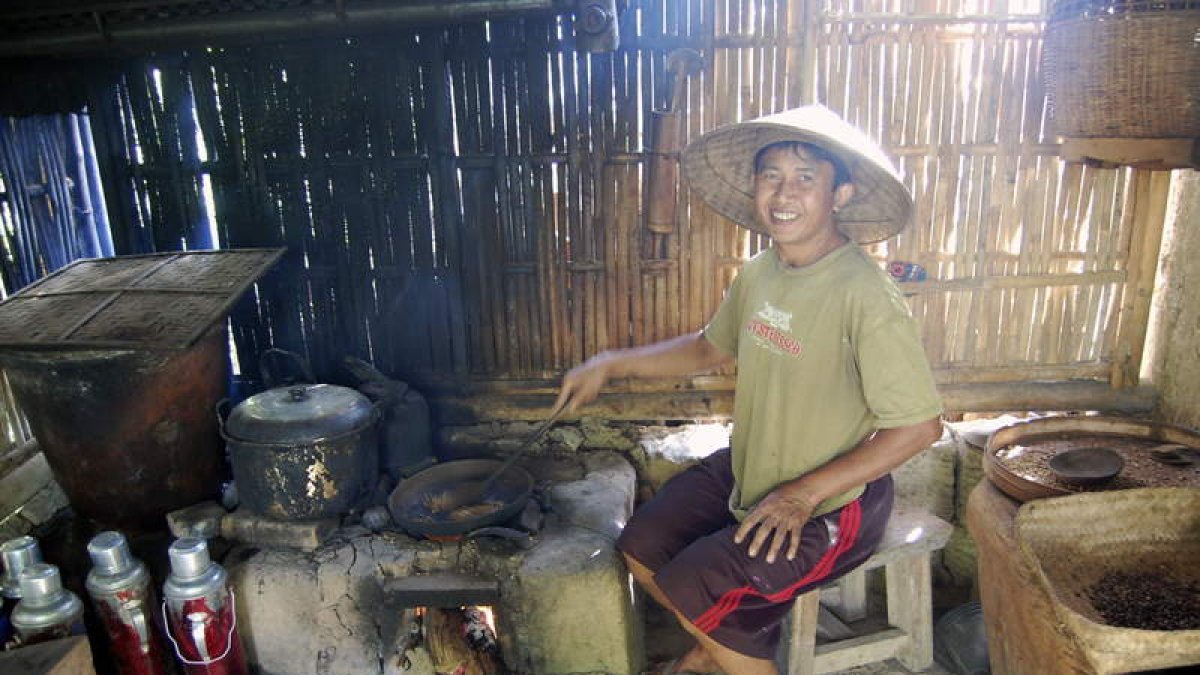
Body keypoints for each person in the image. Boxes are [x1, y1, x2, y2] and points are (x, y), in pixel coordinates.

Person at [553, 105, 944, 675]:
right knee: (642, 545)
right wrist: (614, 363)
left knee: (697, 583)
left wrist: (803, 496)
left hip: (837, 502)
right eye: (771, 176)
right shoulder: (761, 271)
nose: (784, 193)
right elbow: (709, 348)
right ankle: (715, 649)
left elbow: (920, 427)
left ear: (840, 194)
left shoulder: (866, 296)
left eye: (805, 178)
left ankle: (721, 647)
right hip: (752, 467)